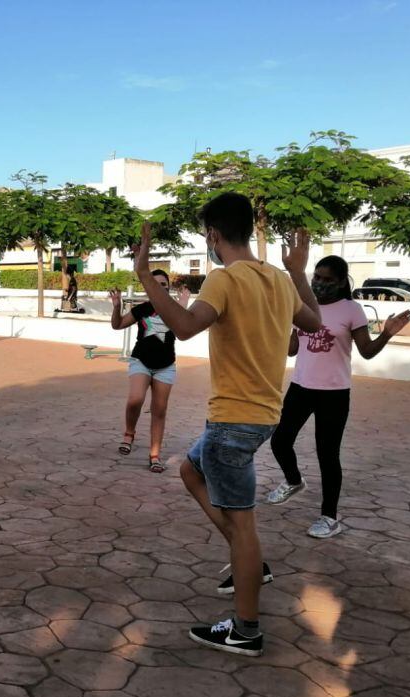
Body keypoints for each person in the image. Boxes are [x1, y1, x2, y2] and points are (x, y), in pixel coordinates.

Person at [131, 193, 321, 656]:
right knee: (189, 471)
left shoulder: (224, 278)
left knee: (244, 526)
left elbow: (183, 326)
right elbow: (312, 321)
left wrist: (144, 277)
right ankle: (251, 563)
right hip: (261, 418)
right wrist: (298, 270)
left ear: (213, 236)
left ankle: (246, 628)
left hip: (232, 421)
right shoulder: (276, 278)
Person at [267, 255, 410, 538]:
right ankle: (294, 481)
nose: (320, 284)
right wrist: (284, 322)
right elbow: (291, 350)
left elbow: (367, 351)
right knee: (280, 440)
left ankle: (329, 516)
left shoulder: (351, 310)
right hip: (300, 387)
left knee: (327, 455)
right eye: (317, 278)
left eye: (327, 280)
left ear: (341, 282)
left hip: (334, 393)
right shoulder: (303, 305)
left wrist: (387, 334)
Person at [109, 271, 190, 472]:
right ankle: (129, 433)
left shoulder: (175, 309)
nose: (160, 287)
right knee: (136, 399)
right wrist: (117, 307)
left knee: (159, 410)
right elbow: (117, 325)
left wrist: (183, 306)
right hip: (141, 361)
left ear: (168, 287)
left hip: (165, 366)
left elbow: (183, 334)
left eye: (164, 284)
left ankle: (154, 456)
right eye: (156, 284)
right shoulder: (143, 309)